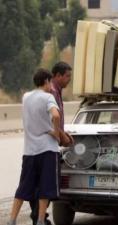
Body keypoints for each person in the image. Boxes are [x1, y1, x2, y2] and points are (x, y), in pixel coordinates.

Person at [7, 69, 62, 225]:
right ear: (46, 81)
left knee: (24, 186)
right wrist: (56, 134)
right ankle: (39, 221)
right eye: (50, 81)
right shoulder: (48, 97)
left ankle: (12, 219)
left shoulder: (26, 97)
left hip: (29, 150)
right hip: (47, 149)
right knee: (45, 188)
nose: (51, 85)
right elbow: (56, 116)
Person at [28, 62, 74, 225]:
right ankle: (38, 218)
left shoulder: (55, 91)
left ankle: (39, 218)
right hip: (46, 145)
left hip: (43, 145)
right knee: (44, 184)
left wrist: (62, 132)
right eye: (67, 76)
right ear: (57, 76)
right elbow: (51, 119)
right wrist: (61, 136)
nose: (69, 79)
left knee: (40, 184)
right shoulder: (52, 92)